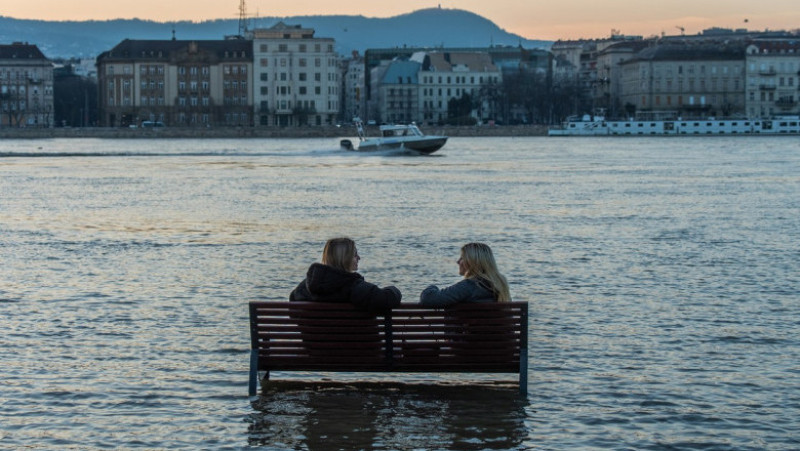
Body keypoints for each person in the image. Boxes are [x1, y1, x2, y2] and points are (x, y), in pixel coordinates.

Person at [290, 237, 402, 312]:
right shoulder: (355, 287)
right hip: (358, 347)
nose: (359, 258)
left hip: (313, 346)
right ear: (345, 259)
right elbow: (389, 299)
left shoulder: (303, 289)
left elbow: (293, 314)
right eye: (355, 255)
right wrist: (393, 289)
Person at [420, 242, 511, 307]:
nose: (458, 262)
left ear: (472, 262)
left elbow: (428, 299)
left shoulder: (470, 286)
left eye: (462, 258)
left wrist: (432, 287)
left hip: (470, 334)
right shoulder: (501, 283)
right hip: (499, 334)